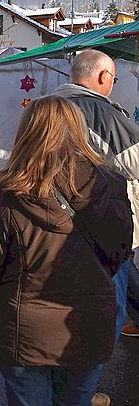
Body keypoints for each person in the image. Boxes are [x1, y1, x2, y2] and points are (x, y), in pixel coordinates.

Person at [0, 96, 132, 406]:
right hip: (88, 325)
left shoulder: (10, 195)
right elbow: (120, 253)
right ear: (78, 129)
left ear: (28, 132)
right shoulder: (111, 185)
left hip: (23, 333)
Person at [54, 49, 139, 346]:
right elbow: (135, 162)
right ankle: (80, 389)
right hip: (99, 219)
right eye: (114, 79)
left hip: (54, 219)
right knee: (107, 305)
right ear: (104, 76)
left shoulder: (44, 107)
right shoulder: (100, 111)